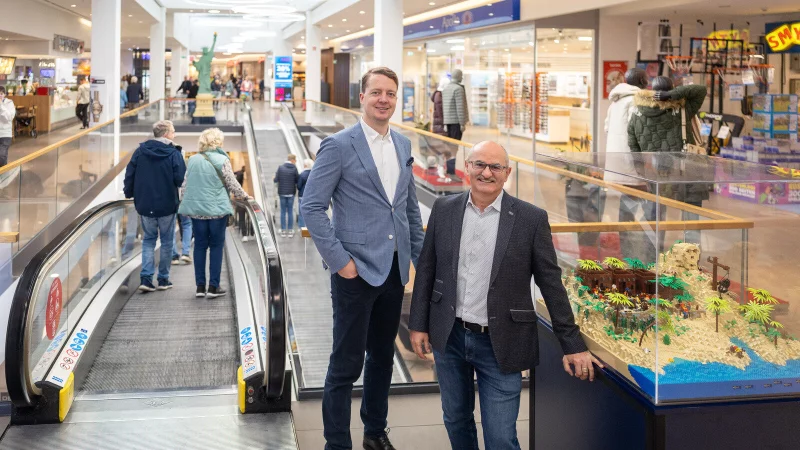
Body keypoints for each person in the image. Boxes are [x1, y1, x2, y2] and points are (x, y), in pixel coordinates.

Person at [408, 141, 602, 450]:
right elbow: (428, 269)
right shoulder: (445, 210)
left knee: (500, 437)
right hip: (450, 336)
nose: (486, 173)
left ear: (507, 173)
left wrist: (572, 344)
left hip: (501, 342)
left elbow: (551, 282)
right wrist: (418, 324)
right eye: (479, 164)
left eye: (495, 167)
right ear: (467, 167)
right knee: (456, 419)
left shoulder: (530, 219)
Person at [301, 66, 425, 450]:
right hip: (354, 273)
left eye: (390, 93)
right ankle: (336, 442)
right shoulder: (339, 145)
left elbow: (407, 209)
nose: (383, 99)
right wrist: (340, 262)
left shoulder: (403, 145)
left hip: (393, 270)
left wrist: (420, 258)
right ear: (362, 97)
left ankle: (374, 432)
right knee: (345, 364)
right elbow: (312, 207)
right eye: (376, 93)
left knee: (383, 359)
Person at [628, 76, 709, 243]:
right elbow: (700, 90)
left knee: (654, 216)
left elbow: (632, 142)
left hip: (654, 173)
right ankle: (690, 257)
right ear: (670, 88)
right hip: (684, 171)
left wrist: (640, 170)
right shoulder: (683, 109)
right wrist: (671, 95)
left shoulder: (638, 111)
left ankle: (652, 260)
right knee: (691, 215)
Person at [178, 128, 249, 298]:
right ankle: (213, 287)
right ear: (218, 141)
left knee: (200, 245)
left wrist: (183, 200)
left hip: (197, 212)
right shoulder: (222, 159)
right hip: (217, 211)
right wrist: (244, 196)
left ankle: (200, 287)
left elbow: (185, 185)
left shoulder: (193, 160)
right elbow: (232, 183)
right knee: (216, 246)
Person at [123, 120, 186, 292]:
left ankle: (146, 279)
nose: (174, 135)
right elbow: (180, 178)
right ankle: (163, 280)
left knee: (148, 241)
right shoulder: (174, 153)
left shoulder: (140, 152)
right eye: (173, 132)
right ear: (166, 134)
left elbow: (130, 174)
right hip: (167, 204)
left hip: (145, 204)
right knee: (167, 242)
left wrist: (129, 193)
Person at [274, 153, 299, 237]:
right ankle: (291, 230)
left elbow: (276, 179)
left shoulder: (280, 168)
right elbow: (297, 180)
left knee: (283, 211)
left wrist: (274, 178)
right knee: (290, 211)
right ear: (292, 160)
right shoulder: (294, 168)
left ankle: (283, 230)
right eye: (295, 160)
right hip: (291, 193)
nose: (295, 162)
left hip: (282, 193)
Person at [0, 86, 15, 168]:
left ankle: (3, 176)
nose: (0, 96)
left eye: (1, 94)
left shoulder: (9, 103)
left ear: (4, 94)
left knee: (1, 156)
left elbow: (9, 118)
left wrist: (1, 106)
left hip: (5, 135)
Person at [296, 159, 313, 229]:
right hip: (311, 197)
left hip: (302, 196)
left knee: (301, 213)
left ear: (305, 165)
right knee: (310, 213)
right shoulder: (314, 174)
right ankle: (310, 228)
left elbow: (299, 186)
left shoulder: (302, 174)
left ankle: (302, 228)